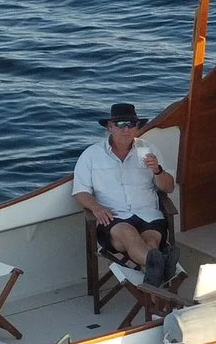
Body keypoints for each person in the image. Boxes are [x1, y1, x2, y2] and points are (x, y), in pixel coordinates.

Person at [74, 101, 179, 286]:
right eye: (121, 124)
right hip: (114, 218)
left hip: (148, 213)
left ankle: (155, 301)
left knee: (152, 243)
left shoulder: (148, 150)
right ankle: (164, 265)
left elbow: (168, 188)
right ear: (110, 127)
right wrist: (95, 207)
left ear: (137, 127)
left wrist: (158, 171)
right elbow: (80, 192)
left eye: (131, 124)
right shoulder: (92, 155)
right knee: (130, 235)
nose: (126, 129)